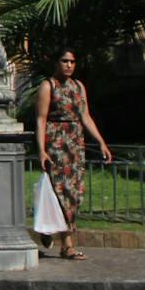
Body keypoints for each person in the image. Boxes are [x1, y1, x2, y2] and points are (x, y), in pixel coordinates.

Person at [35, 47, 111, 260]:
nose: (69, 65)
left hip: (75, 144)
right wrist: (41, 150)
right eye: (65, 61)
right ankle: (66, 243)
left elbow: (85, 116)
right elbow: (41, 119)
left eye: (72, 61)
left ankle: (56, 234)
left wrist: (101, 142)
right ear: (56, 62)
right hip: (57, 144)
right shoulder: (48, 86)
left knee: (74, 193)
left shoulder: (78, 86)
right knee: (60, 192)